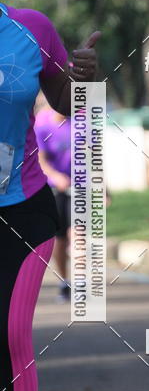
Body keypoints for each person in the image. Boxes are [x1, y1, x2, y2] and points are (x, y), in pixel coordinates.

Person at [0, 3, 98, 391]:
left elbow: (69, 103)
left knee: (12, 336)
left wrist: (85, 80)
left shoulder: (30, 27)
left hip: (23, 208)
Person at [34, 103, 72, 301]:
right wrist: (57, 177)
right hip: (55, 189)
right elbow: (41, 159)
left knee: (77, 233)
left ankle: (81, 281)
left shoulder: (80, 122)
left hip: (80, 187)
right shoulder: (42, 125)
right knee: (60, 239)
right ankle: (64, 281)